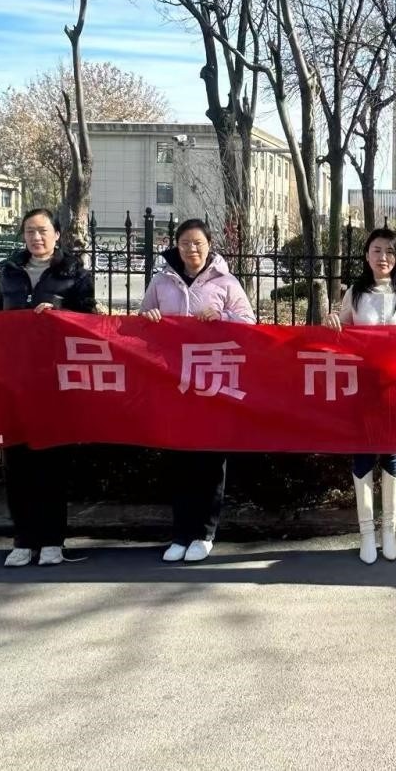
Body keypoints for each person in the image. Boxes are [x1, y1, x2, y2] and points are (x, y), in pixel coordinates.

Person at [140, 218, 255, 563]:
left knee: (210, 461)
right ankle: (181, 533)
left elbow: (249, 322)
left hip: (212, 382)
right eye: (185, 243)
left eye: (198, 243)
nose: (192, 249)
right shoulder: (161, 281)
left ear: (209, 245)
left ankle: (204, 533)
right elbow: (141, 321)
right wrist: (150, 317)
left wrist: (222, 317)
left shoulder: (226, 282)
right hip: (174, 382)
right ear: (176, 247)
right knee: (179, 460)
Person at [0, 208, 98, 568]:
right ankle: (23, 540)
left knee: (52, 466)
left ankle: (52, 540)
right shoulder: (9, 272)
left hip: (56, 382)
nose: (36, 238)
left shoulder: (75, 274)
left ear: (57, 234)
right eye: (29, 231)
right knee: (16, 465)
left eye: (42, 231)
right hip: (15, 381)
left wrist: (59, 314)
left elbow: (91, 325)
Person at [324, 227, 396, 564]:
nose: (383, 257)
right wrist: (332, 322)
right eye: (377, 250)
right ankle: (367, 533)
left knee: (394, 456)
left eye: (390, 251)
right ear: (367, 255)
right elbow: (340, 330)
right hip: (363, 387)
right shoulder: (355, 293)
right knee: (363, 457)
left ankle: (390, 532)